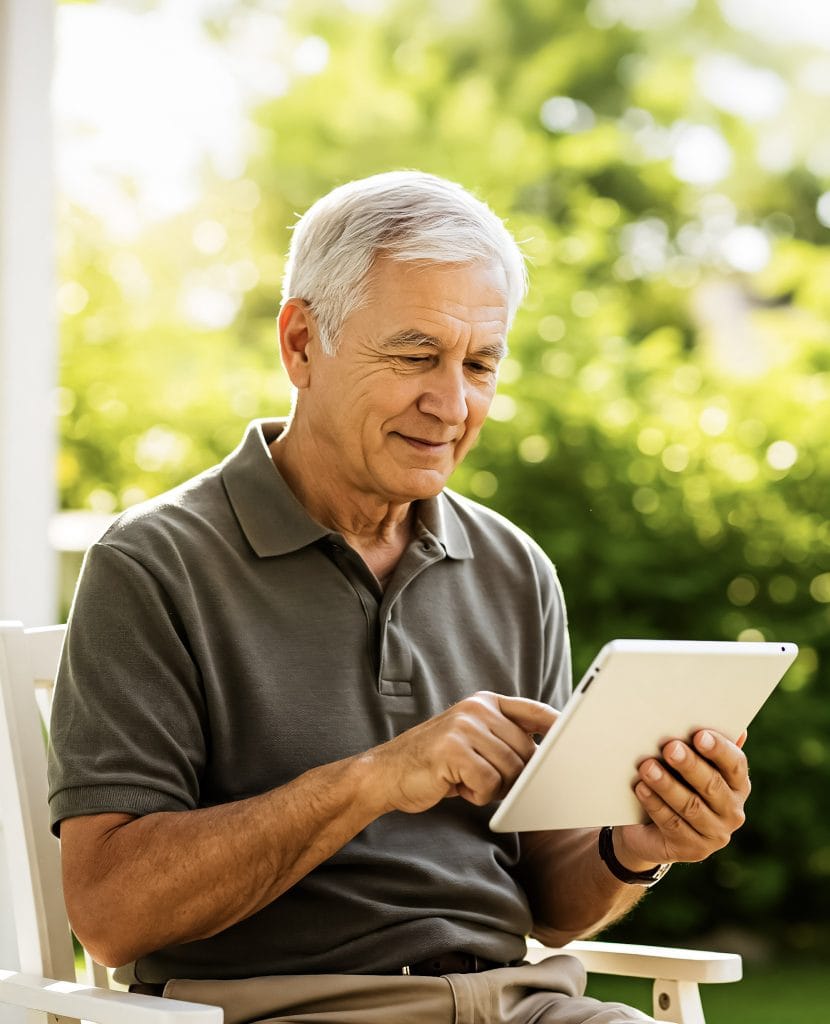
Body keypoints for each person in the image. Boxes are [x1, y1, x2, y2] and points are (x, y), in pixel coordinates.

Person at [48, 171, 750, 1024]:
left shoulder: (513, 569)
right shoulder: (154, 565)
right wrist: (379, 779)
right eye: (416, 355)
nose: (452, 404)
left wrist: (640, 845)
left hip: (523, 1006)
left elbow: (551, 905)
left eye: (479, 363)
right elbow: (113, 915)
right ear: (301, 344)